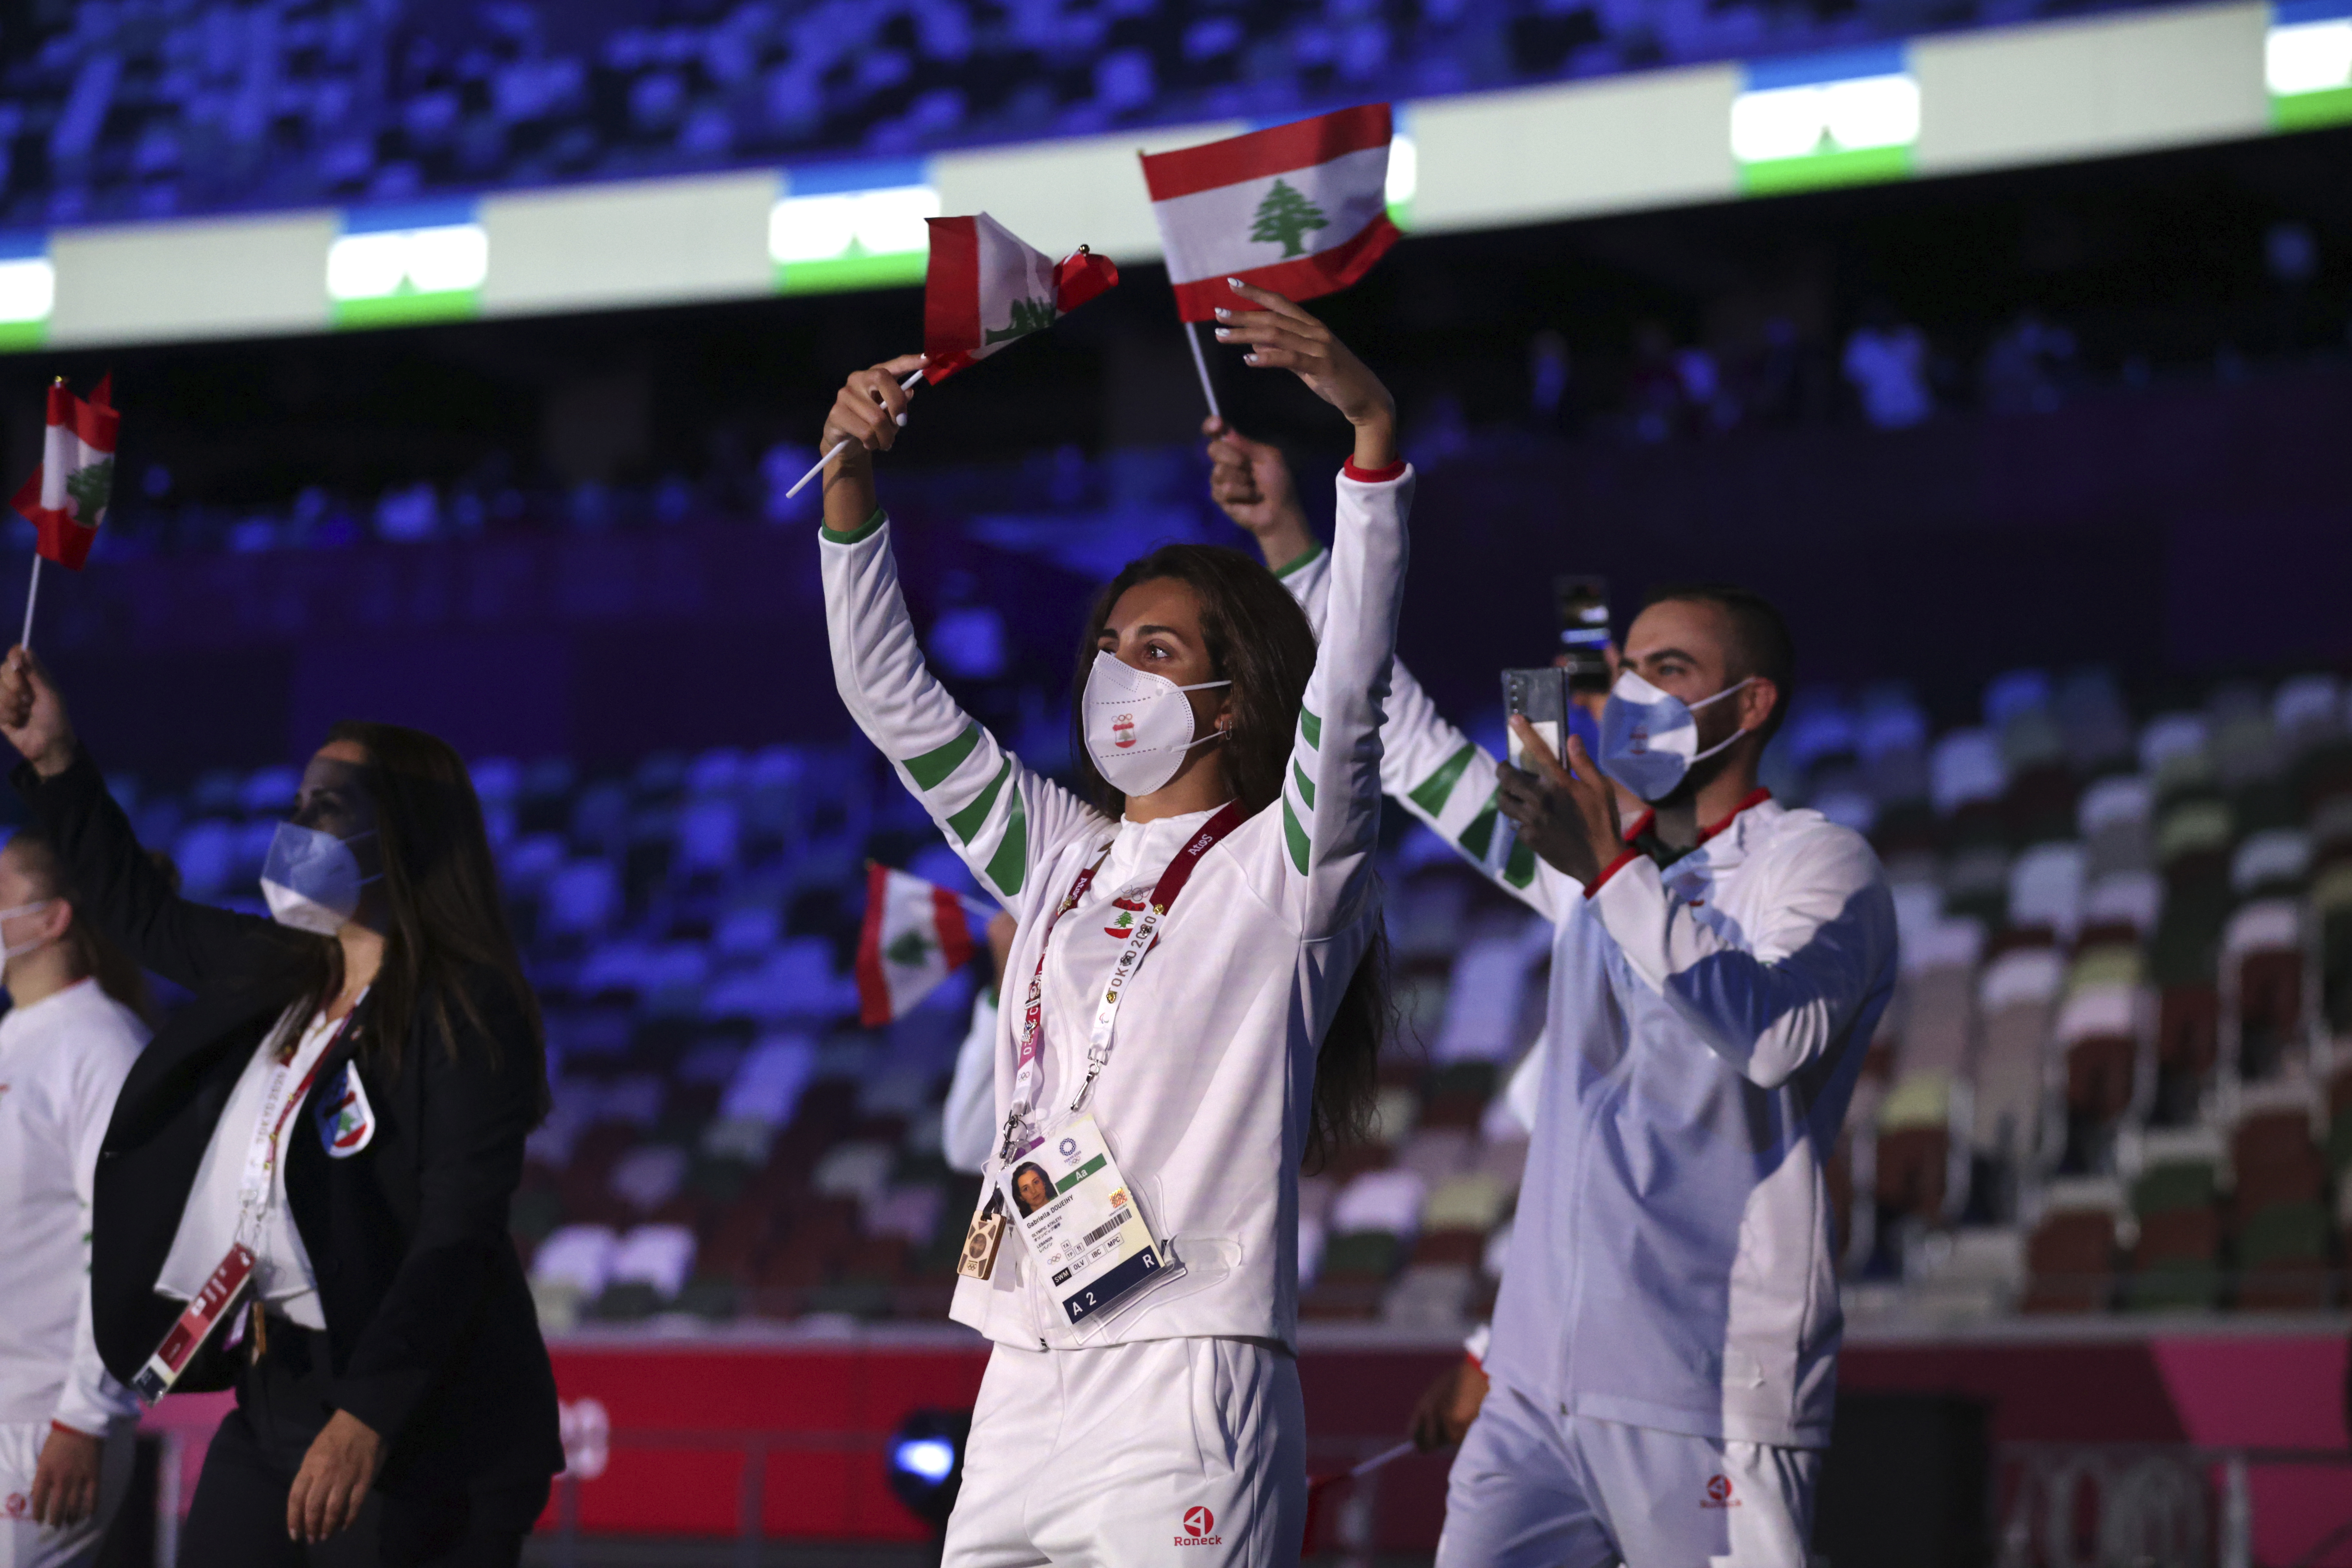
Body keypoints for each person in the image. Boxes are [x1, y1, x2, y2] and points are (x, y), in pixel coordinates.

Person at [816, 281, 1408, 1565]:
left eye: (1154, 647)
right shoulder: (1063, 856)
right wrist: (851, 492)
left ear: (1232, 693)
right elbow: (892, 704)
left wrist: (1368, 445)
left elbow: (1352, 691)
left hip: (1189, 1377)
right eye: (1110, 642)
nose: (1114, 669)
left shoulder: (1287, 870)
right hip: (1023, 1373)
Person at [0, 649, 564, 1568]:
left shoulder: (466, 1010)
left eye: (325, 808)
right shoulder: (285, 972)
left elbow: (457, 1236)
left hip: (422, 1425)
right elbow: (141, 912)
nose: (294, 825)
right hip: (278, 1391)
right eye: (297, 805)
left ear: (403, 835)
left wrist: (367, 1413)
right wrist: (57, 762)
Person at [1437, 584, 1898, 1568]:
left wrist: (1609, 867)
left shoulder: (1821, 865)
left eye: (1672, 670)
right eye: (1628, 670)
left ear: (1753, 704)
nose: (1638, 691)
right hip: (1533, 1397)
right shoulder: (1584, 864)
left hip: (1706, 1391)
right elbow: (1406, 750)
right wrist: (1305, 531)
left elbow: (1776, 1036)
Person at [0, 831, 153, 1568]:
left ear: (52, 918)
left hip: (39, 1428)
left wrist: (86, 1417)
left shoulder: (101, 1046)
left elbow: (126, 1242)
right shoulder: (15, 1039)